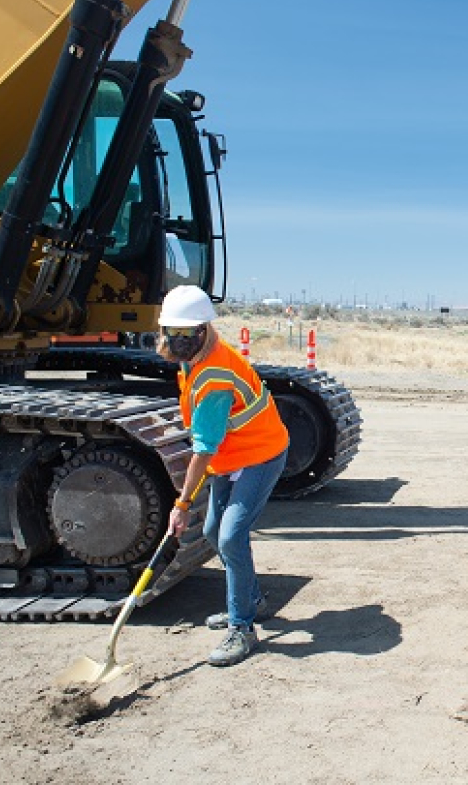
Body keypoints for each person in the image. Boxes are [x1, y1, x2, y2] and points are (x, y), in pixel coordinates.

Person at [158, 285, 290, 668]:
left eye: (188, 333)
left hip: (260, 454)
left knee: (231, 533)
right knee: (214, 532)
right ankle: (252, 601)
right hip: (235, 455)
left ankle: (242, 628)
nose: (179, 341)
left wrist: (181, 505)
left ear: (204, 331)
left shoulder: (214, 375)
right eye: (173, 333)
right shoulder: (193, 359)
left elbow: (203, 449)